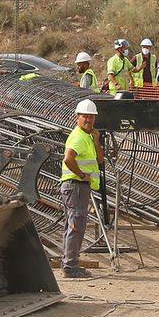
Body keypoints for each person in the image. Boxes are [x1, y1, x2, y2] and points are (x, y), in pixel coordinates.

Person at [59, 99, 101, 279]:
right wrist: (82, 174)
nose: (89, 120)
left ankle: (69, 262)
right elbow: (68, 159)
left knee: (74, 225)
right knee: (76, 226)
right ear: (77, 117)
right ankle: (70, 266)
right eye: (85, 117)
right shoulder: (78, 136)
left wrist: (97, 140)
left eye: (91, 117)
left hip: (80, 187)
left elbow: (100, 160)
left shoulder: (88, 137)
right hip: (75, 185)